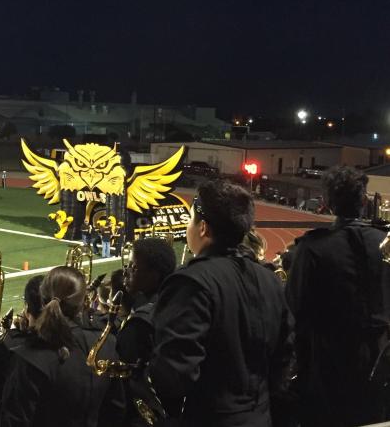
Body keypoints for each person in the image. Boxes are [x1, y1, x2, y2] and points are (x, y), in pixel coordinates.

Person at [149, 180, 292, 426]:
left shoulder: (190, 282)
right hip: (260, 416)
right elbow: (284, 355)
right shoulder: (269, 280)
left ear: (203, 228)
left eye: (190, 219)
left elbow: (174, 374)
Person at [286, 166, 390, 426]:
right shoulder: (383, 242)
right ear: (364, 201)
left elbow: (293, 310)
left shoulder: (312, 248)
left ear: (328, 203)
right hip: (379, 362)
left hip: (327, 366)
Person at [0, 266, 124, 427]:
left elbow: (11, 422)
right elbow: (116, 410)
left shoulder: (29, 357)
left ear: (43, 300)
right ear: (83, 304)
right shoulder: (107, 344)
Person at [118, 238, 176, 427]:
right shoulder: (177, 303)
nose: (126, 272)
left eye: (134, 268)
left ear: (154, 274)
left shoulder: (139, 325)